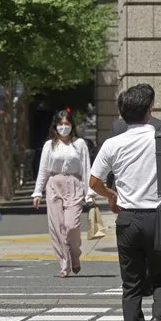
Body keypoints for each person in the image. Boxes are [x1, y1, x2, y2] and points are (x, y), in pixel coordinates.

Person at [89, 85, 161, 321]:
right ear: (149, 110)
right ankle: (158, 317)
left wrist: (111, 195)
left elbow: (94, 181)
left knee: (131, 284)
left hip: (127, 220)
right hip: (159, 218)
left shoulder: (112, 144)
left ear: (122, 114)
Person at [31, 110, 95, 278]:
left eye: (67, 124)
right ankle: (63, 263)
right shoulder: (49, 145)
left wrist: (89, 192)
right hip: (54, 185)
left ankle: (75, 253)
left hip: (74, 185)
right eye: (61, 124)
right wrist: (38, 192)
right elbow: (43, 170)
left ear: (72, 125)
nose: (64, 127)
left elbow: (86, 168)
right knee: (57, 228)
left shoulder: (80, 144)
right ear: (55, 126)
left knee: (71, 226)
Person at [107, 84, 161, 199]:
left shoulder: (117, 125)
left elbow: (111, 162)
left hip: (122, 190)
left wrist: (111, 190)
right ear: (150, 103)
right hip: (153, 190)